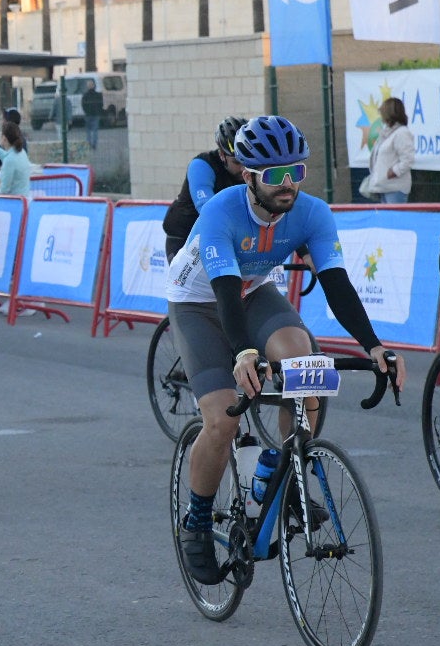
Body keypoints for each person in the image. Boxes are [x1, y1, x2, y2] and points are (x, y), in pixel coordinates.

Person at [167, 116, 403, 585]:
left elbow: (336, 284)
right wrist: (242, 352)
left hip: (253, 292)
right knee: (223, 420)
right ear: (248, 176)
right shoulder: (220, 212)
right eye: (275, 175)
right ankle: (195, 521)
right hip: (199, 302)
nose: (288, 183)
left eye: (297, 170)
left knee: (306, 363)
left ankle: (279, 467)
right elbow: (224, 292)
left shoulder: (312, 213)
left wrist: (374, 346)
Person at [163, 116, 248, 261]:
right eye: (236, 162)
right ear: (222, 155)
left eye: (247, 161)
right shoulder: (202, 165)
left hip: (222, 237)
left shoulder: (254, 169)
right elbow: (207, 208)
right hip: (185, 237)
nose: (244, 168)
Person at [362, 97, 415, 204]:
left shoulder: (402, 133)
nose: (381, 115)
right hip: (384, 187)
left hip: (395, 188)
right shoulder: (387, 133)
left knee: (395, 220)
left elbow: (408, 159)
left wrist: (394, 171)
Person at [80, 79, 104, 149]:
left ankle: (89, 143)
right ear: (94, 86)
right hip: (96, 114)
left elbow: (83, 105)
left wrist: (86, 111)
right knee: (95, 130)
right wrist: (99, 111)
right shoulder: (98, 95)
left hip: (88, 115)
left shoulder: (85, 95)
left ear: (87, 86)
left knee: (88, 130)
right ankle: (94, 144)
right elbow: (101, 104)